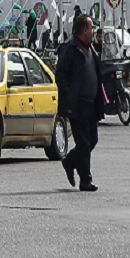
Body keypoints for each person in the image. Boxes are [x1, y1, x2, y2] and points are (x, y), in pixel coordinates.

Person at [55, 13, 104, 192]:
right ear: (84, 30)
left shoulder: (91, 49)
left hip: (91, 104)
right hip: (78, 104)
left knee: (92, 140)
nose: (94, 31)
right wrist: (69, 97)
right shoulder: (70, 49)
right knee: (83, 142)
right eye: (91, 28)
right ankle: (85, 180)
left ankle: (69, 162)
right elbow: (60, 75)